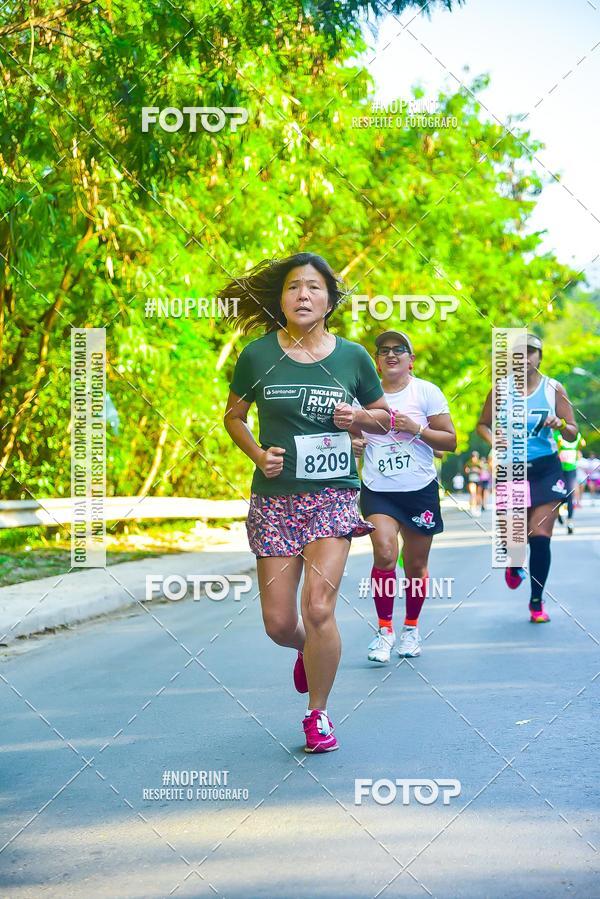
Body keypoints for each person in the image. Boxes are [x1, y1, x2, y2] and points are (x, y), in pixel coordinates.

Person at [223, 252, 390, 753]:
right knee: (279, 624)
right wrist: (258, 455)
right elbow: (233, 417)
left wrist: (358, 418)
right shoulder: (256, 356)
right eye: (294, 287)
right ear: (281, 299)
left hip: (333, 495)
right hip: (275, 500)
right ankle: (307, 650)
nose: (303, 295)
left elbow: (385, 418)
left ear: (329, 301)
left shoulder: (353, 357)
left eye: (314, 287)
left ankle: (318, 714)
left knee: (318, 608)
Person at [350, 330, 456, 663]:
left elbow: (450, 441)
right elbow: (348, 435)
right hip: (379, 490)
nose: (391, 354)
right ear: (377, 362)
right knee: (384, 553)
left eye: (399, 349)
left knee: (415, 565)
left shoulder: (426, 392)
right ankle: (385, 630)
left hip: (419, 491)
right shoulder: (361, 397)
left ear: (411, 360)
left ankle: (411, 628)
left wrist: (417, 429)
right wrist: (353, 443)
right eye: (384, 351)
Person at [477, 333, 577, 623]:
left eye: (531, 352)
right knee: (515, 537)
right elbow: (482, 425)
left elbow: (573, 432)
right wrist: (495, 441)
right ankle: (514, 561)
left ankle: (536, 602)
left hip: (546, 468)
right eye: (519, 353)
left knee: (540, 535)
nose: (525, 358)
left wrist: (560, 424)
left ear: (539, 358)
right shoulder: (500, 390)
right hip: (511, 469)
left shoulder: (553, 389)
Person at [555, 430, 585, 533]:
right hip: (559, 470)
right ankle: (558, 512)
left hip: (571, 470)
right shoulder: (557, 434)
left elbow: (582, 444)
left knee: (570, 495)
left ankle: (570, 521)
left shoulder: (576, 434)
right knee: (560, 494)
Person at [464, 451, 483, 516]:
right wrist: (470, 470)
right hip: (471, 480)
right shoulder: (468, 463)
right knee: (473, 494)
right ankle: (473, 508)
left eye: (475, 456)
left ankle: (479, 507)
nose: (474, 458)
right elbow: (466, 471)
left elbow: (483, 472)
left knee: (478, 495)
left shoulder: (479, 463)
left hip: (479, 480)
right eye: (473, 456)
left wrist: (477, 470)